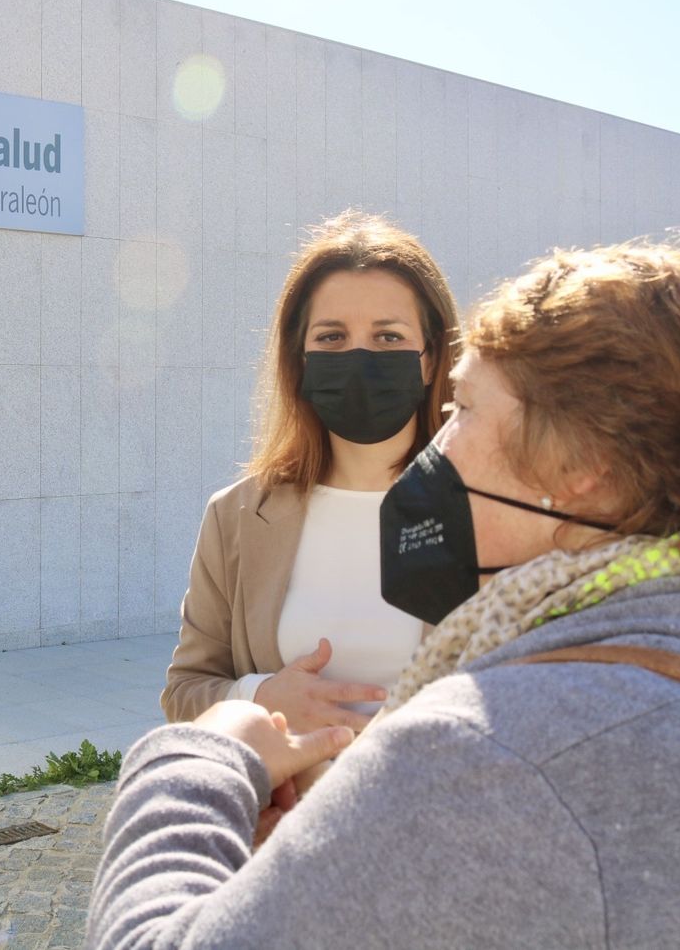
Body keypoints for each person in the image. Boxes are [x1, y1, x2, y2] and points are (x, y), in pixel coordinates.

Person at [91, 237, 680, 948]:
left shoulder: (486, 745)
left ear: (582, 463)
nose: (440, 440)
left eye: (462, 406)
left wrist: (203, 758)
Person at [162, 211, 459, 734]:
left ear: (431, 359)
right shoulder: (237, 516)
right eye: (332, 337)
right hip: (289, 790)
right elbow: (185, 691)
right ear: (299, 359)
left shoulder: (490, 509)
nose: (359, 357)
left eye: (388, 337)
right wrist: (259, 696)